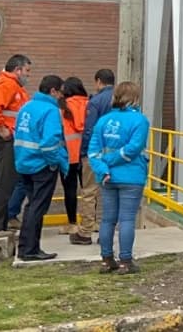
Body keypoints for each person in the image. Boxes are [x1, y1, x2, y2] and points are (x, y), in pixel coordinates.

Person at [89, 81, 150, 275]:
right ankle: (125, 261)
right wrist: (112, 160)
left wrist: (104, 167)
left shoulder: (103, 121)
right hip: (132, 176)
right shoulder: (140, 121)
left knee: (107, 220)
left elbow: (93, 152)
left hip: (107, 177)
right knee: (126, 220)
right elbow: (133, 149)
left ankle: (106, 260)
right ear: (135, 98)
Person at [14, 74, 69, 261]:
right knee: (37, 208)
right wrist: (56, 162)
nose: (62, 96)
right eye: (61, 92)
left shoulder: (26, 107)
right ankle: (30, 250)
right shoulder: (50, 111)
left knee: (31, 206)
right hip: (42, 165)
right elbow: (49, 142)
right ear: (53, 91)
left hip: (24, 163)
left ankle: (25, 248)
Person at [0, 54, 31, 234]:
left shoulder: (6, 83)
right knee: (4, 183)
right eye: (26, 71)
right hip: (2, 138)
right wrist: (1, 128)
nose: (27, 75)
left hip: (1, 136)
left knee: (4, 182)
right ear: (17, 70)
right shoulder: (8, 84)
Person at [76, 69, 114, 245]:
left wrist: (84, 152)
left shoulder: (96, 102)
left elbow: (89, 130)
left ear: (99, 81)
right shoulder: (121, 100)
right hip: (115, 154)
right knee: (111, 192)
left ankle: (85, 232)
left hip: (96, 152)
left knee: (90, 192)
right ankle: (106, 232)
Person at [59, 77, 92, 245]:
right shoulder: (89, 104)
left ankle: (72, 223)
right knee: (89, 190)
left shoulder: (63, 106)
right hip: (86, 152)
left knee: (70, 190)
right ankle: (90, 223)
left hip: (68, 154)